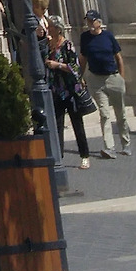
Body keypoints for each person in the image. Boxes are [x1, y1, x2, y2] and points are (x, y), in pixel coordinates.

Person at [78, 11, 129, 159]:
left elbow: (118, 57)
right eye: (87, 21)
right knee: (104, 113)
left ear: (99, 22)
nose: (89, 24)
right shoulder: (85, 38)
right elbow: (83, 59)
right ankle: (109, 147)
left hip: (113, 77)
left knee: (121, 113)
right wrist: (80, 76)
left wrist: (121, 78)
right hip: (96, 80)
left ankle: (125, 143)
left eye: (92, 21)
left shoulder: (108, 36)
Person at [45, 19, 91, 169]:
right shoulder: (49, 45)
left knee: (77, 124)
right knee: (57, 125)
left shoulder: (67, 45)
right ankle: (59, 156)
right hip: (56, 91)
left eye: (51, 26)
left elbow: (75, 67)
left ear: (58, 29)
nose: (48, 29)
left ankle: (84, 155)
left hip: (70, 90)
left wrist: (57, 65)